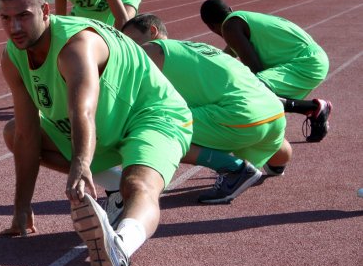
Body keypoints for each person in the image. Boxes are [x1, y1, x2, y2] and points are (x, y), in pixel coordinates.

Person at [0, 0, 192, 266]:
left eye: (24, 16)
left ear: (45, 11)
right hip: (107, 125)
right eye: (5, 19)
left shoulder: (77, 45)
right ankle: (116, 185)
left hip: (151, 114)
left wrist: (81, 164)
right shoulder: (13, 56)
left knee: (141, 186)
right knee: (14, 132)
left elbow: (82, 110)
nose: (14, 28)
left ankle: (121, 246)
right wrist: (21, 207)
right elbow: (26, 133)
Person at [122, 14, 292, 201]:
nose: (129, 48)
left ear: (152, 32)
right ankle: (277, 164)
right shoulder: (198, 47)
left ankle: (235, 169)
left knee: (147, 126)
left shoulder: (151, 50)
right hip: (274, 114)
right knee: (266, 140)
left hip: (242, 117)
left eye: (131, 41)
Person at [199, 0, 331, 142]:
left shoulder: (230, 27)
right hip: (313, 59)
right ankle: (314, 113)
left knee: (252, 90)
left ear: (210, 27)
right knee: (256, 91)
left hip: (306, 63)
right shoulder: (240, 20)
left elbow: (255, 69)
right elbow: (226, 57)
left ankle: (313, 108)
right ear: (230, 9)